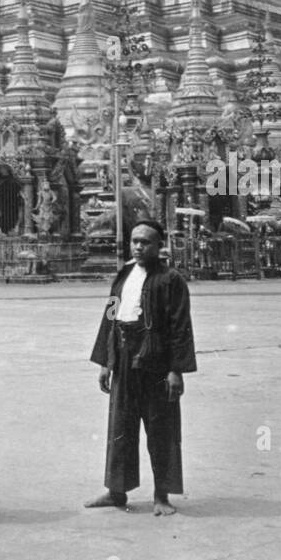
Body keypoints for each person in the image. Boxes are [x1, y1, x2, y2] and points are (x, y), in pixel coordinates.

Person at [85, 219, 196, 516]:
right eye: (134, 241)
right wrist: (106, 363)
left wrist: (176, 370)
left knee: (161, 428)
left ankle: (162, 496)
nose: (137, 246)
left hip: (156, 361)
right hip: (123, 356)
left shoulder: (171, 280)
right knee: (120, 425)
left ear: (159, 246)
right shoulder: (123, 276)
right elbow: (110, 317)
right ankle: (116, 491)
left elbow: (180, 326)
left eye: (145, 242)